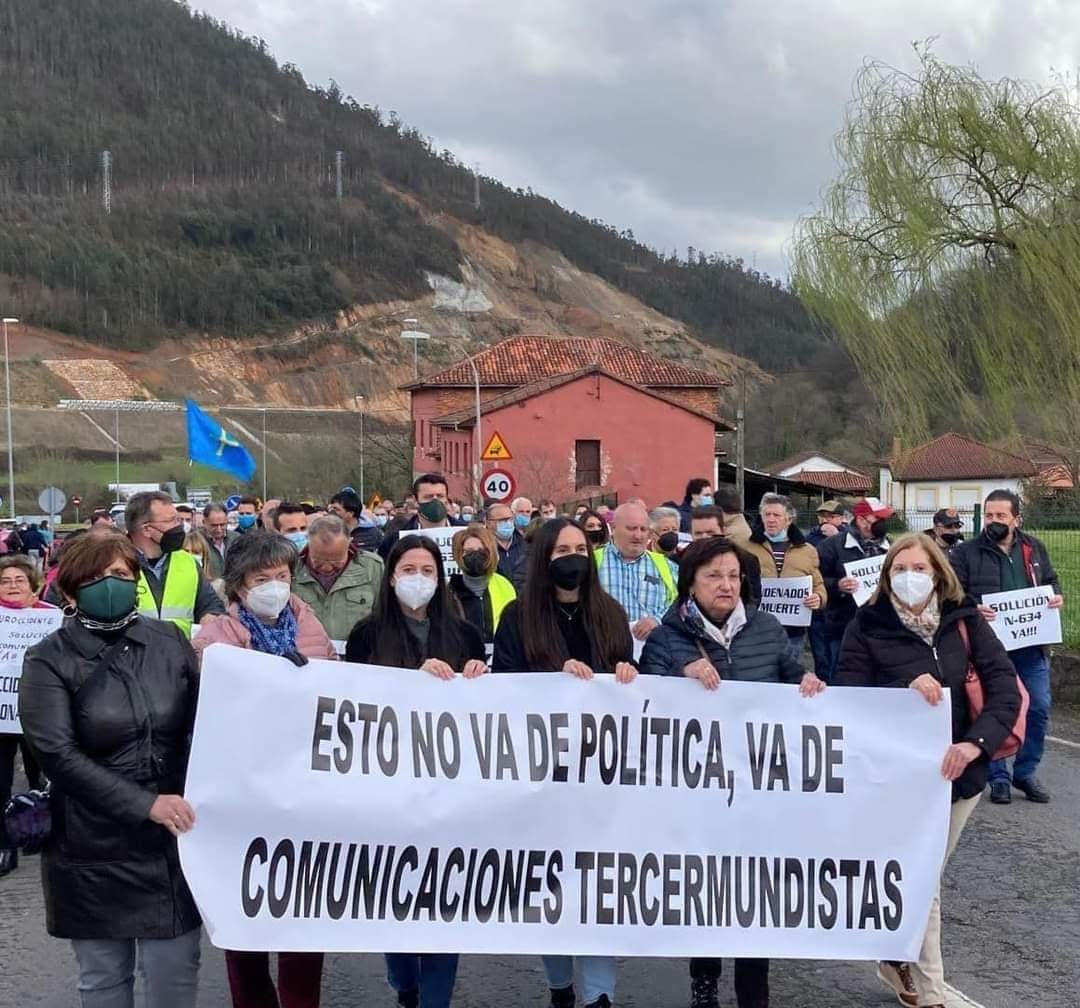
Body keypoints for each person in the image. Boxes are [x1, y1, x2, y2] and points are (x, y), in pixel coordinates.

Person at [835, 532, 1020, 1008]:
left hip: (960, 778)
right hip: (898, 783)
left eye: (919, 568)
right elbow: (850, 698)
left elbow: (1004, 688)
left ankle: (893, 952)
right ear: (885, 575)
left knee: (920, 877)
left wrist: (975, 745)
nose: (909, 578)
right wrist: (903, 685)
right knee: (922, 881)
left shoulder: (966, 622)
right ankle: (932, 992)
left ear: (937, 573)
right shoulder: (866, 625)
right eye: (899, 569)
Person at [19, 530, 202, 1007]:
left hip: (169, 846)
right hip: (89, 845)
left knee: (174, 979)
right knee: (103, 980)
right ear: (69, 590)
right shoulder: (47, 660)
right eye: (96, 577)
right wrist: (145, 805)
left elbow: (208, 719)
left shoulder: (168, 642)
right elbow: (57, 756)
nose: (110, 584)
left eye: (121, 574)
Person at [639, 536, 824, 1008]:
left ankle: (752, 993)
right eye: (713, 576)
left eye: (733, 576)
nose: (726, 585)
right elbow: (643, 699)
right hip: (697, 793)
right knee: (706, 894)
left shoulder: (765, 627)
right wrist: (679, 671)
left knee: (752, 893)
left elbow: (787, 671)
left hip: (757, 791)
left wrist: (805, 681)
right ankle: (704, 984)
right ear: (690, 585)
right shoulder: (666, 637)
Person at [492, 517, 635, 1008]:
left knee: (598, 888)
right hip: (542, 778)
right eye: (561, 550)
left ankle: (600, 995)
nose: (572, 556)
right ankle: (559, 986)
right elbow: (504, 685)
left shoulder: (611, 615)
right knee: (550, 889)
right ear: (544, 560)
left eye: (580, 547)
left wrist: (624, 672)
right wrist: (552, 679)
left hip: (602, 778)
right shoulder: (517, 617)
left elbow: (631, 681)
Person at [193, 531, 335, 1007]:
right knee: (246, 920)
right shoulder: (216, 637)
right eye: (262, 578)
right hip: (244, 800)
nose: (276, 586)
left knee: (303, 916)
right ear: (238, 587)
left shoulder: (310, 625)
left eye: (282, 576)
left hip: (305, 797)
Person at [345, 534, 484, 1008]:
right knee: (396, 902)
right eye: (408, 570)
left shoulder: (463, 633)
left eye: (428, 571)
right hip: (388, 792)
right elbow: (355, 705)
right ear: (391, 577)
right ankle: (404, 981)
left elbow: (491, 706)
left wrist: (477, 679)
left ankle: (434, 1001)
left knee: (448, 906)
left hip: (451, 792)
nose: (418, 580)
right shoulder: (367, 634)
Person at [950, 489, 1062, 804]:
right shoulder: (966, 553)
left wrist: (1056, 596)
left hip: (1031, 646)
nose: (993, 521)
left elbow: (1051, 580)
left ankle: (1025, 772)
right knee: (993, 708)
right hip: (988, 649)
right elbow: (952, 594)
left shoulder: (1033, 548)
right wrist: (973, 608)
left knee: (1038, 707)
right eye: (989, 515)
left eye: (1001, 515)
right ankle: (997, 776)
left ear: (1016, 519)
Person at [0, 556, 55, 876]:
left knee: (46, 775)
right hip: (3, 715)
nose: (12, 586)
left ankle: (42, 829)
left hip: (39, 711)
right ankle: (5, 843)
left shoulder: (49, 616)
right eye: (6, 581)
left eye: (19, 580)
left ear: (33, 584)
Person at [817, 496, 893, 682]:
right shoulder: (831, 546)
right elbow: (816, 580)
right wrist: (838, 585)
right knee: (843, 674)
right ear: (861, 520)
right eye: (878, 519)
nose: (883, 524)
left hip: (881, 625)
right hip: (842, 625)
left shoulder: (890, 546)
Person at [126, 491, 224, 636]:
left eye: (178, 520)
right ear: (147, 529)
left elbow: (211, 604)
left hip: (180, 652)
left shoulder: (187, 561)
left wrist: (211, 616)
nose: (180, 527)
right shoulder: (116, 565)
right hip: (132, 655)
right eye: (171, 521)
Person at [743, 493, 825, 661]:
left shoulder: (807, 550)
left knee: (790, 679)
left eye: (776, 515)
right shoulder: (746, 547)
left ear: (788, 520)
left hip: (793, 632)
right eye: (767, 514)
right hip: (757, 630)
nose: (771, 519)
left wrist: (818, 598)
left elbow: (818, 584)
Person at [292, 515, 383, 644]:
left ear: (349, 543)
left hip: (356, 655)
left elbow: (383, 615)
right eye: (318, 561)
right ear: (308, 542)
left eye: (336, 561)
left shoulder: (372, 567)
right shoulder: (293, 568)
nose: (327, 568)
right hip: (308, 654)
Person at [595, 502, 677, 641]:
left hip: (653, 652)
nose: (638, 536)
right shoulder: (592, 561)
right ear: (613, 528)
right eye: (631, 529)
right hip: (603, 649)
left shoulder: (667, 566)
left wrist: (657, 620)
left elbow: (682, 604)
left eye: (643, 529)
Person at [447, 524, 516, 645]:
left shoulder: (505, 586)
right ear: (459, 555)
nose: (475, 555)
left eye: (481, 550)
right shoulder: (448, 592)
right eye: (468, 551)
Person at [378, 474, 454, 561]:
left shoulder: (465, 533)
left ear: (447, 498)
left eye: (440, 496)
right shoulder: (394, 540)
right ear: (415, 501)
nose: (435, 501)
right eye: (428, 497)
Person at [486, 501, 528, 588]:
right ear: (488, 523)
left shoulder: (524, 544)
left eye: (510, 519)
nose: (508, 523)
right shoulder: (484, 547)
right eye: (502, 520)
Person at [329, 488, 381, 553]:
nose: (332, 512)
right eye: (331, 508)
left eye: (336, 509)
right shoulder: (327, 531)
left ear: (350, 513)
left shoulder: (372, 534)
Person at [200, 502, 235, 580]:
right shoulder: (196, 541)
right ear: (204, 522)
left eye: (222, 525)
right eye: (214, 525)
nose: (219, 530)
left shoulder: (236, 538)